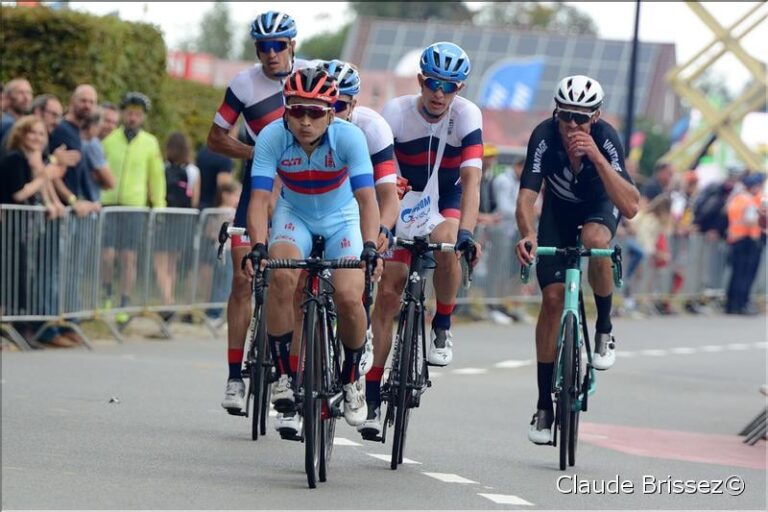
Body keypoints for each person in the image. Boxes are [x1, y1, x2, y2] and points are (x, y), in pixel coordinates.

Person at [238, 67, 383, 437]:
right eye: (297, 111)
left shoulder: (349, 137)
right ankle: (285, 375)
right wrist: (258, 245)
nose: (305, 121)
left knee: (350, 296)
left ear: (331, 113)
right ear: (285, 110)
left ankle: (352, 378)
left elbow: (367, 200)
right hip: (294, 215)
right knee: (281, 277)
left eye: (315, 112)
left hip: (341, 218)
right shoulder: (272, 137)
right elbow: (257, 199)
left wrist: (369, 246)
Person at [365, 42, 483, 438]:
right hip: (402, 194)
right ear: (420, 80)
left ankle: (443, 324)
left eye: (449, 87)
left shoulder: (467, 116)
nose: (439, 93)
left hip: (445, 197)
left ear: (459, 89)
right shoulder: (396, 112)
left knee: (448, 244)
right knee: (389, 292)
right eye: (432, 83)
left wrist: (467, 233)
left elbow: (472, 180)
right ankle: (370, 392)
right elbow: (379, 176)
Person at [515, 75, 639, 445]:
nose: (572, 125)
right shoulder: (544, 136)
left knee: (597, 241)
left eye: (581, 118)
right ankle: (542, 404)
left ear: (596, 117)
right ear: (556, 113)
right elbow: (526, 197)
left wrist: (597, 156)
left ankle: (603, 327)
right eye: (566, 116)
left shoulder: (606, 138)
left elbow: (630, 206)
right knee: (552, 300)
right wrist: (528, 233)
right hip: (558, 212)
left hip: (599, 207)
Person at [207, 11, 311, 417]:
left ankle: (296, 375)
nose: (271, 54)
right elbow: (216, 138)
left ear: (292, 46)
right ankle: (235, 377)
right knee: (241, 276)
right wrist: (257, 153)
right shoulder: (244, 84)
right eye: (263, 47)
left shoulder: (311, 76)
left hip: (305, 185)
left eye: (278, 45)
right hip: (260, 182)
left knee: (302, 284)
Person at [101, 92, 166, 312]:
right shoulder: (109, 140)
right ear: (122, 114)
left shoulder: (150, 143)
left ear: (143, 117)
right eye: (129, 113)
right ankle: (106, 292)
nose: (132, 118)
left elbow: (156, 178)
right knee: (107, 255)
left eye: (137, 114)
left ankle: (124, 300)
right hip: (109, 204)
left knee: (128, 257)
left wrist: (159, 208)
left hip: (134, 206)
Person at [725, 173, 766, 315]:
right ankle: (741, 304)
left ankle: (731, 304)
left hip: (735, 239)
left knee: (736, 274)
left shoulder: (735, 199)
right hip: (747, 240)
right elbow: (750, 221)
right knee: (745, 275)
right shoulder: (749, 201)